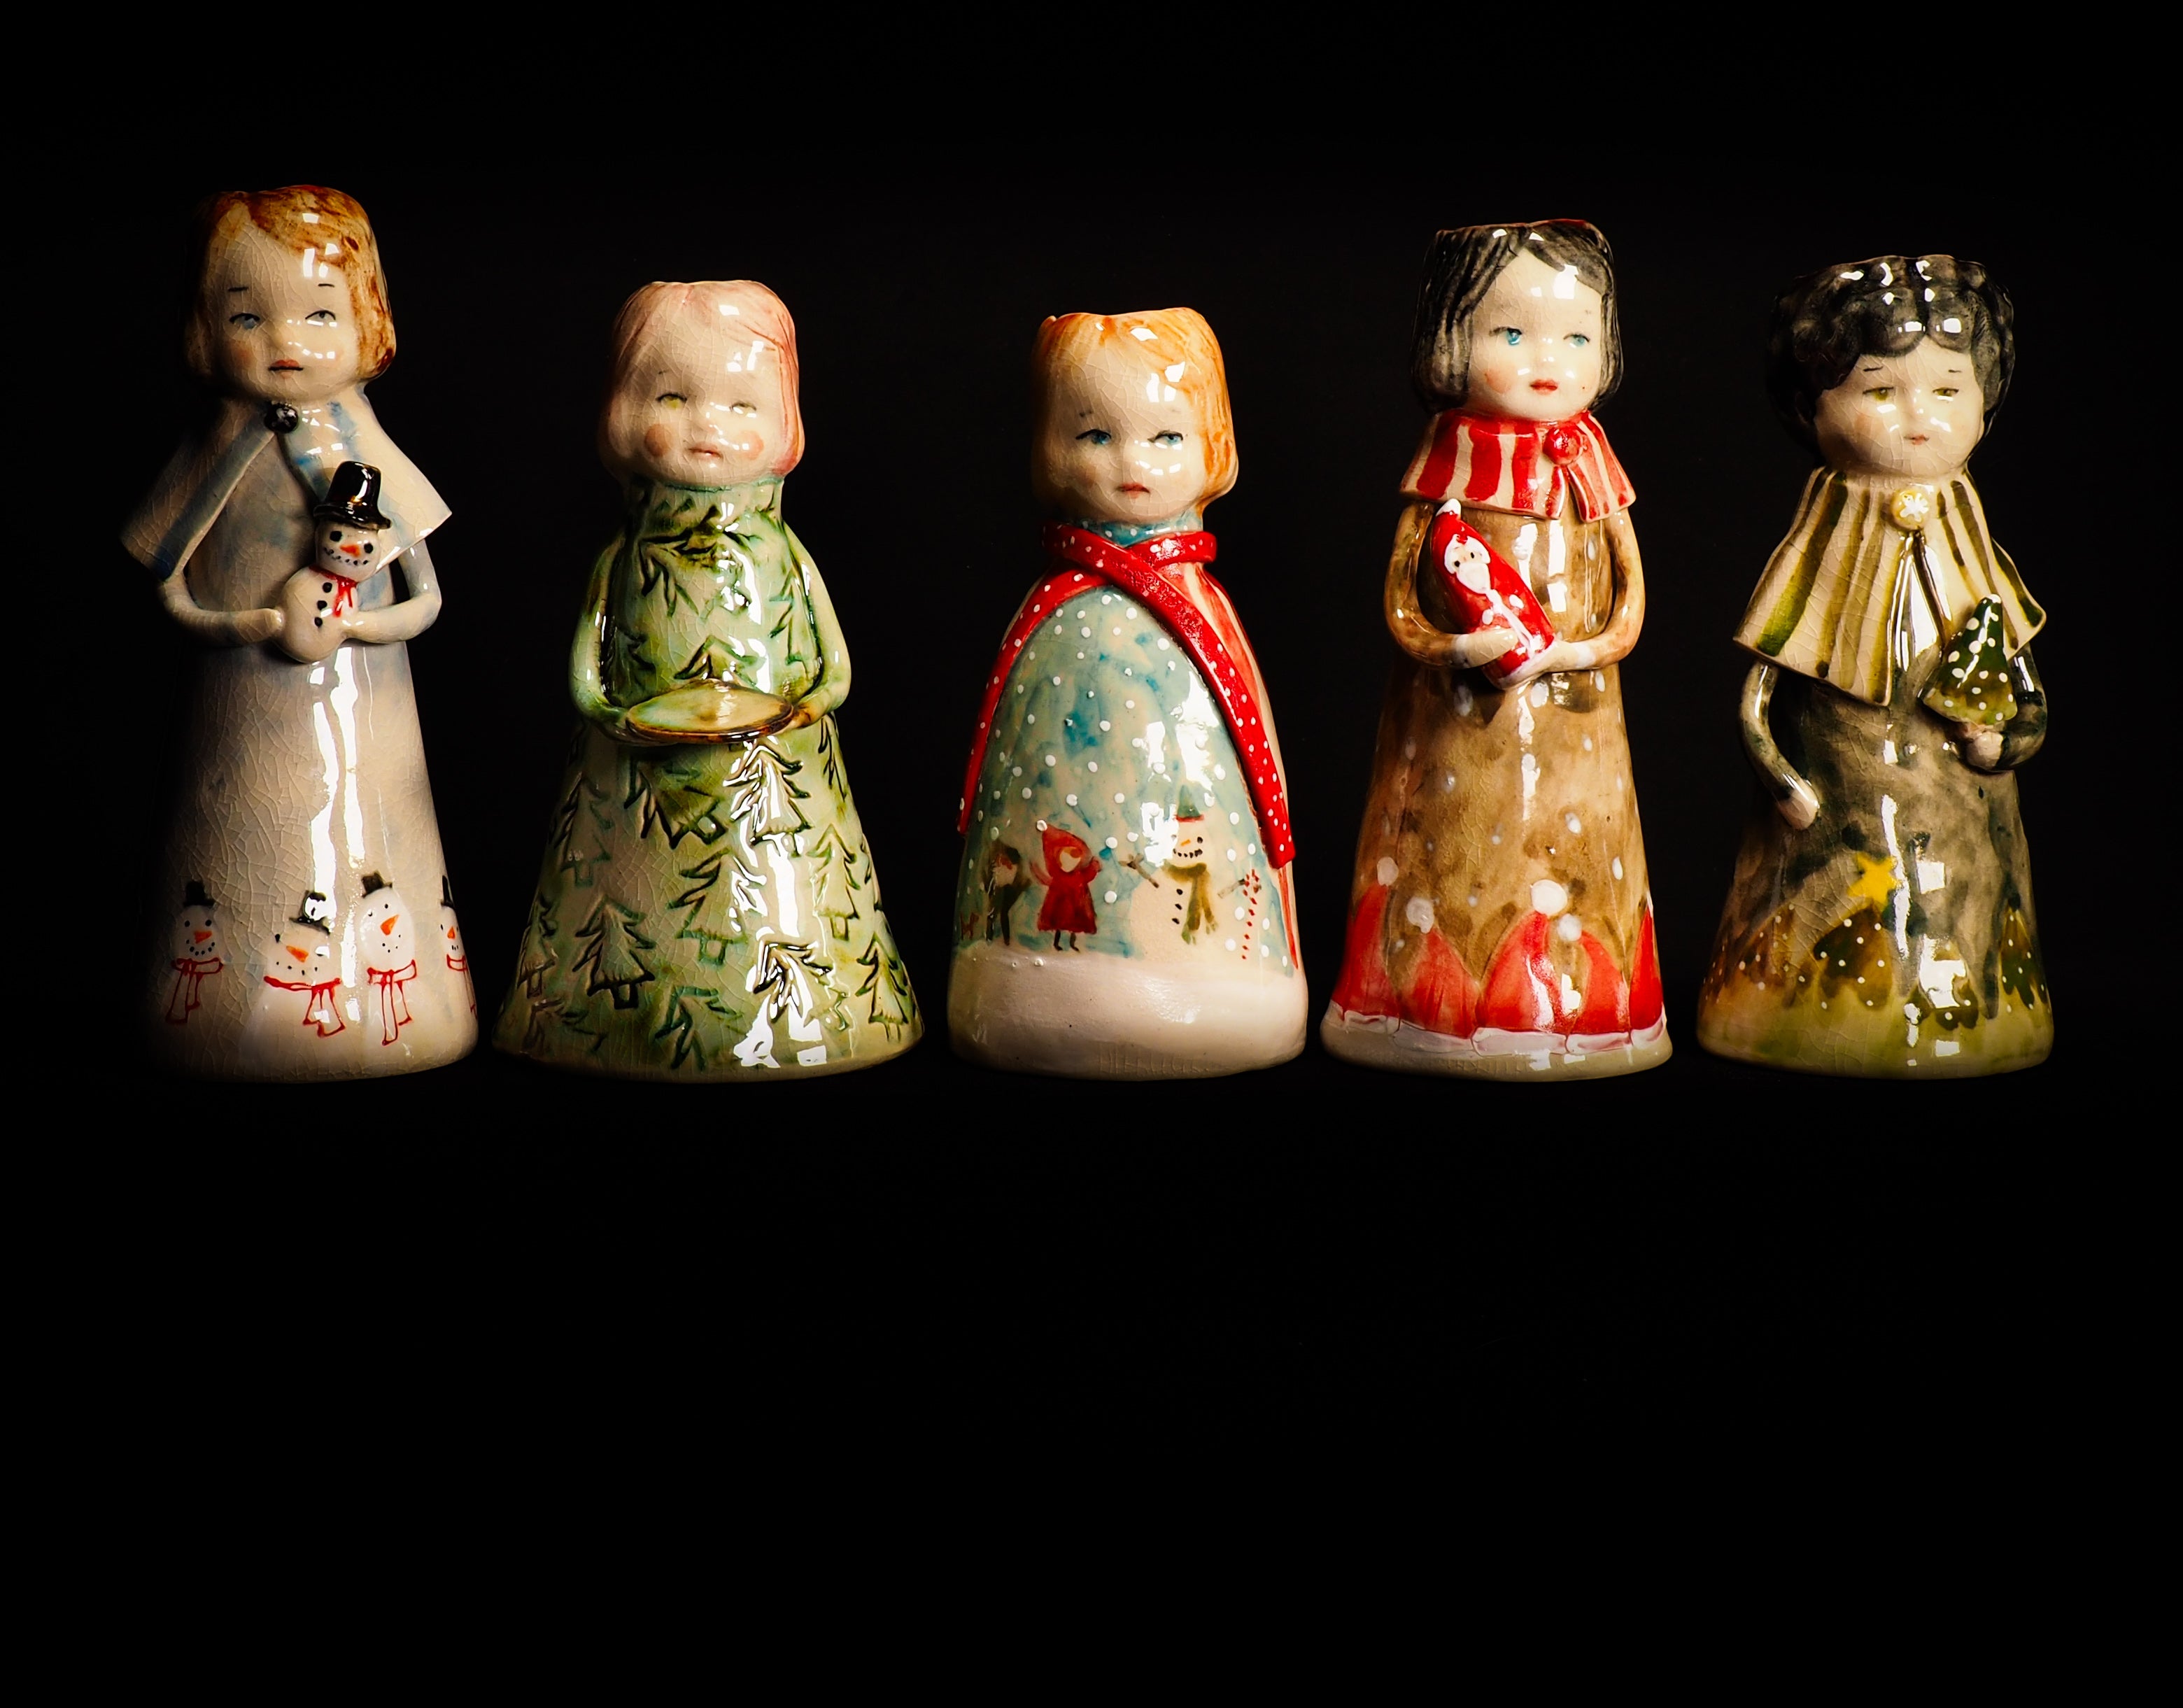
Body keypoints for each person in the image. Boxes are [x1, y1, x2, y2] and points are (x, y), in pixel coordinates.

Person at [495, 280, 918, 1077]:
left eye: (741, 405)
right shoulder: (625, 559)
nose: (707, 427)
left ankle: (814, 1019)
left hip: (778, 768)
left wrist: (809, 707)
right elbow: (587, 666)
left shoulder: (783, 554)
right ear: (624, 413)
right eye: (674, 398)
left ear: (784, 423)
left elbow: (835, 662)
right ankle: (603, 1024)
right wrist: (608, 715)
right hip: (635, 782)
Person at [122, 186, 474, 1077]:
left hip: (366, 710)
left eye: (319, 314)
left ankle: (398, 1008)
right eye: (248, 316)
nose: (287, 340)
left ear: (367, 321)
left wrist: (360, 625)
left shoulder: (371, 461)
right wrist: (241, 623)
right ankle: (221, 1011)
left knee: (371, 816)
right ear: (206, 327)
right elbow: (170, 584)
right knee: (233, 822)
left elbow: (426, 601)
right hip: (239, 710)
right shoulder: (215, 453)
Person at [1322, 220, 1667, 1079]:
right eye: (1511, 333)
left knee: (1577, 859)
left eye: (1576, 337)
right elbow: (1402, 608)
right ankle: (1419, 1013)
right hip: (1450, 728)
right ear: (1451, 341)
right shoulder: (1444, 477)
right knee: (1446, 851)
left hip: (1578, 727)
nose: (1548, 359)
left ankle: (1587, 1011)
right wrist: (1456, 646)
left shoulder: (1591, 473)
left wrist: (1573, 655)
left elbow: (1630, 607)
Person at [1698, 253, 2049, 1075]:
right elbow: (1760, 690)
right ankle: (1785, 1018)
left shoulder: (1973, 559)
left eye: (1949, 389)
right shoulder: (1817, 555)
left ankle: (1977, 1014)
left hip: (1967, 825)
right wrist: (1780, 778)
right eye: (1881, 390)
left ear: (1986, 400)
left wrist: (2011, 738)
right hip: (1830, 821)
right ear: (1810, 407)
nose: (1919, 419)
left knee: (1970, 902)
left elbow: (2022, 683)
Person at [949, 307, 1303, 1077]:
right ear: (1050, 446)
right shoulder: (1049, 617)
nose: (1130, 461)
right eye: (1095, 435)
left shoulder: (1203, 612)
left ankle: (1211, 980)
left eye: (1166, 436)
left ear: (1213, 444)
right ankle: (1030, 983)